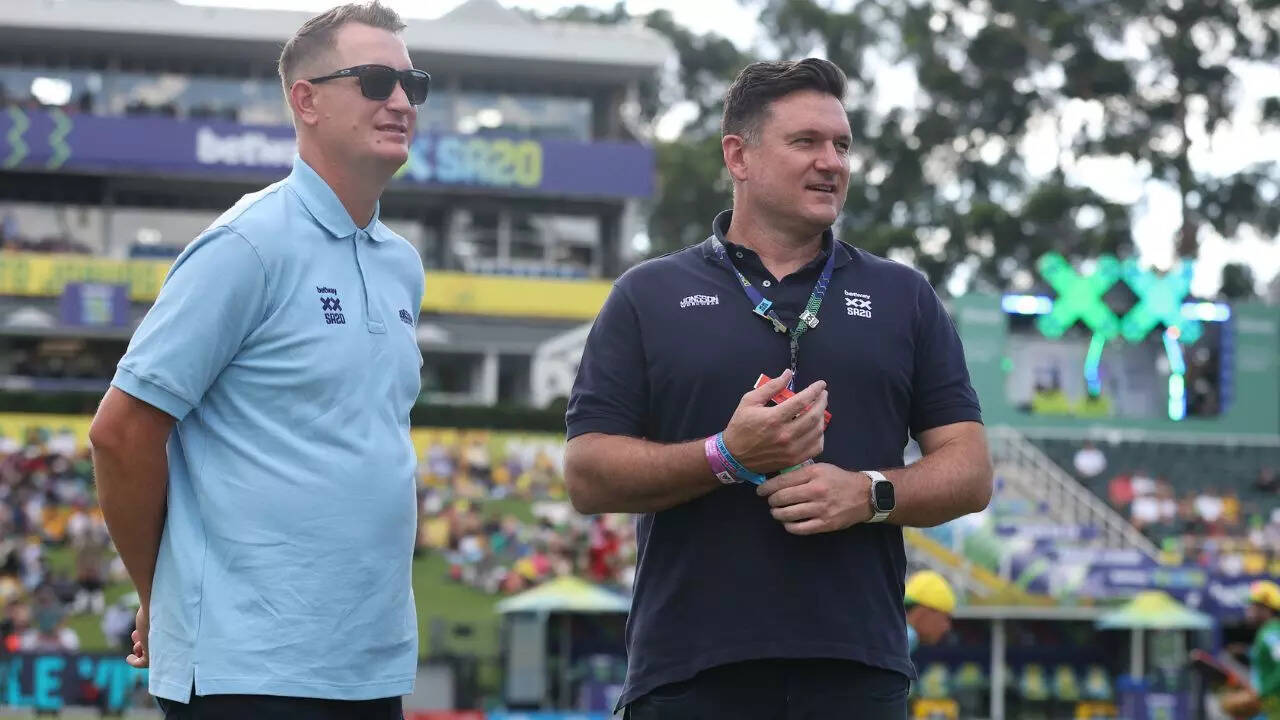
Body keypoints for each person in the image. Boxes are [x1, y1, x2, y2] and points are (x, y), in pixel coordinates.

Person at [564, 58, 992, 719]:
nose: (833, 163)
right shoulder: (647, 295)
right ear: (739, 155)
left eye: (842, 145)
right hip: (689, 672)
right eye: (806, 143)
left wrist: (869, 494)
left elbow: (969, 470)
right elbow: (588, 475)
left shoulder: (904, 296)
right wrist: (725, 456)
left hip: (857, 673)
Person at [88, 2, 429, 717]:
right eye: (374, 81)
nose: (400, 101)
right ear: (305, 101)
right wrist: (159, 594)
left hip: (369, 666)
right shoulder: (247, 244)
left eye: (412, 83)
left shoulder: (402, 265)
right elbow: (120, 432)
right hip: (246, 670)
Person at [1221, 581, 1280, 719]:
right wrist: (1247, 651)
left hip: (1272, 709)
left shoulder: (1270, 632)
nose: (1249, 610)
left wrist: (1261, 693)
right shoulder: (1270, 631)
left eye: (1254, 605)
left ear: (1267, 608)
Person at [905, 570, 957, 654]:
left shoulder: (892, 639)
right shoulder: (896, 643)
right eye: (945, 618)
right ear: (923, 612)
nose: (947, 627)